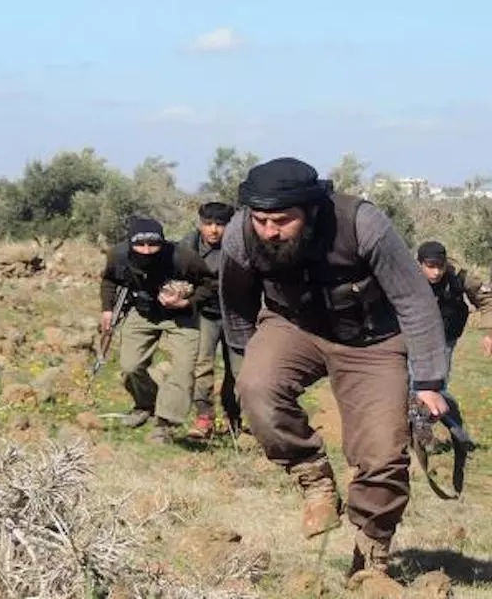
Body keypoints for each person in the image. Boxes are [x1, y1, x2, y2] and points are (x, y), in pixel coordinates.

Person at [219, 157, 449, 584]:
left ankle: (371, 553)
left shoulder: (361, 224)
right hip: (293, 326)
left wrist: (431, 380)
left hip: (373, 341)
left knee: (382, 454)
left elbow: (415, 299)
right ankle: (313, 476)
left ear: (311, 210)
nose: (269, 231)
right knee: (255, 388)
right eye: (261, 220)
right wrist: (244, 359)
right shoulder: (240, 234)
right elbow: (236, 301)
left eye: (282, 220)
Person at [99, 217, 218, 444]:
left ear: (162, 242)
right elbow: (109, 280)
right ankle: (145, 404)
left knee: (182, 372)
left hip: (181, 317)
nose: (146, 250)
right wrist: (107, 309)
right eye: (140, 245)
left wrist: (187, 302)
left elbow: (210, 284)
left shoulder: (183, 257)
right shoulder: (118, 255)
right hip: (143, 313)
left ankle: (164, 424)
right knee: (130, 366)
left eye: (152, 244)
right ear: (130, 243)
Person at [179, 201, 242, 438]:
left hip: (238, 315)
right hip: (204, 313)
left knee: (238, 371)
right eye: (208, 224)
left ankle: (233, 417)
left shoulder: (240, 244)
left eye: (220, 224)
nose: (213, 230)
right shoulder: (189, 245)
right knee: (202, 366)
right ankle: (204, 417)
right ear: (200, 223)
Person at [414, 241, 492, 422]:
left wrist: (489, 333)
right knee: (409, 384)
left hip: (445, 338)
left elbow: (487, 299)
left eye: (440, 266)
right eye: (430, 267)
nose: (436, 272)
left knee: (437, 385)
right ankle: (412, 430)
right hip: (414, 337)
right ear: (419, 264)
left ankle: (428, 428)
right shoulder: (406, 275)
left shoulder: (458, 276)